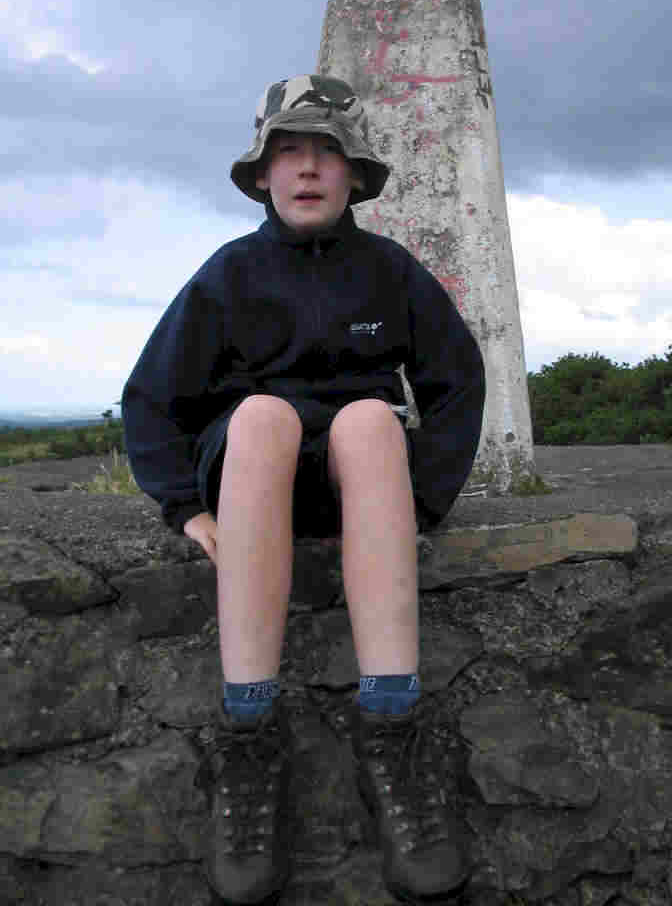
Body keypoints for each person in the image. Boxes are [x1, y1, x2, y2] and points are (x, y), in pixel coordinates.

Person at [122, 75, 485, 904]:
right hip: (255, 479)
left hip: (357, 483)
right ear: (263, 175)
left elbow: (458, 381)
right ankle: (248, 736)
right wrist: (187, 507)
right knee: (259, 416)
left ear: (354, 175)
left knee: (368, 418)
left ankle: (391, 732)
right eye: (290, 152)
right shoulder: (228, 275)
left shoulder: (389, 271)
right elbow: (150, 398)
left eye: (328, 152)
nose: (309, 168)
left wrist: (422, 503)